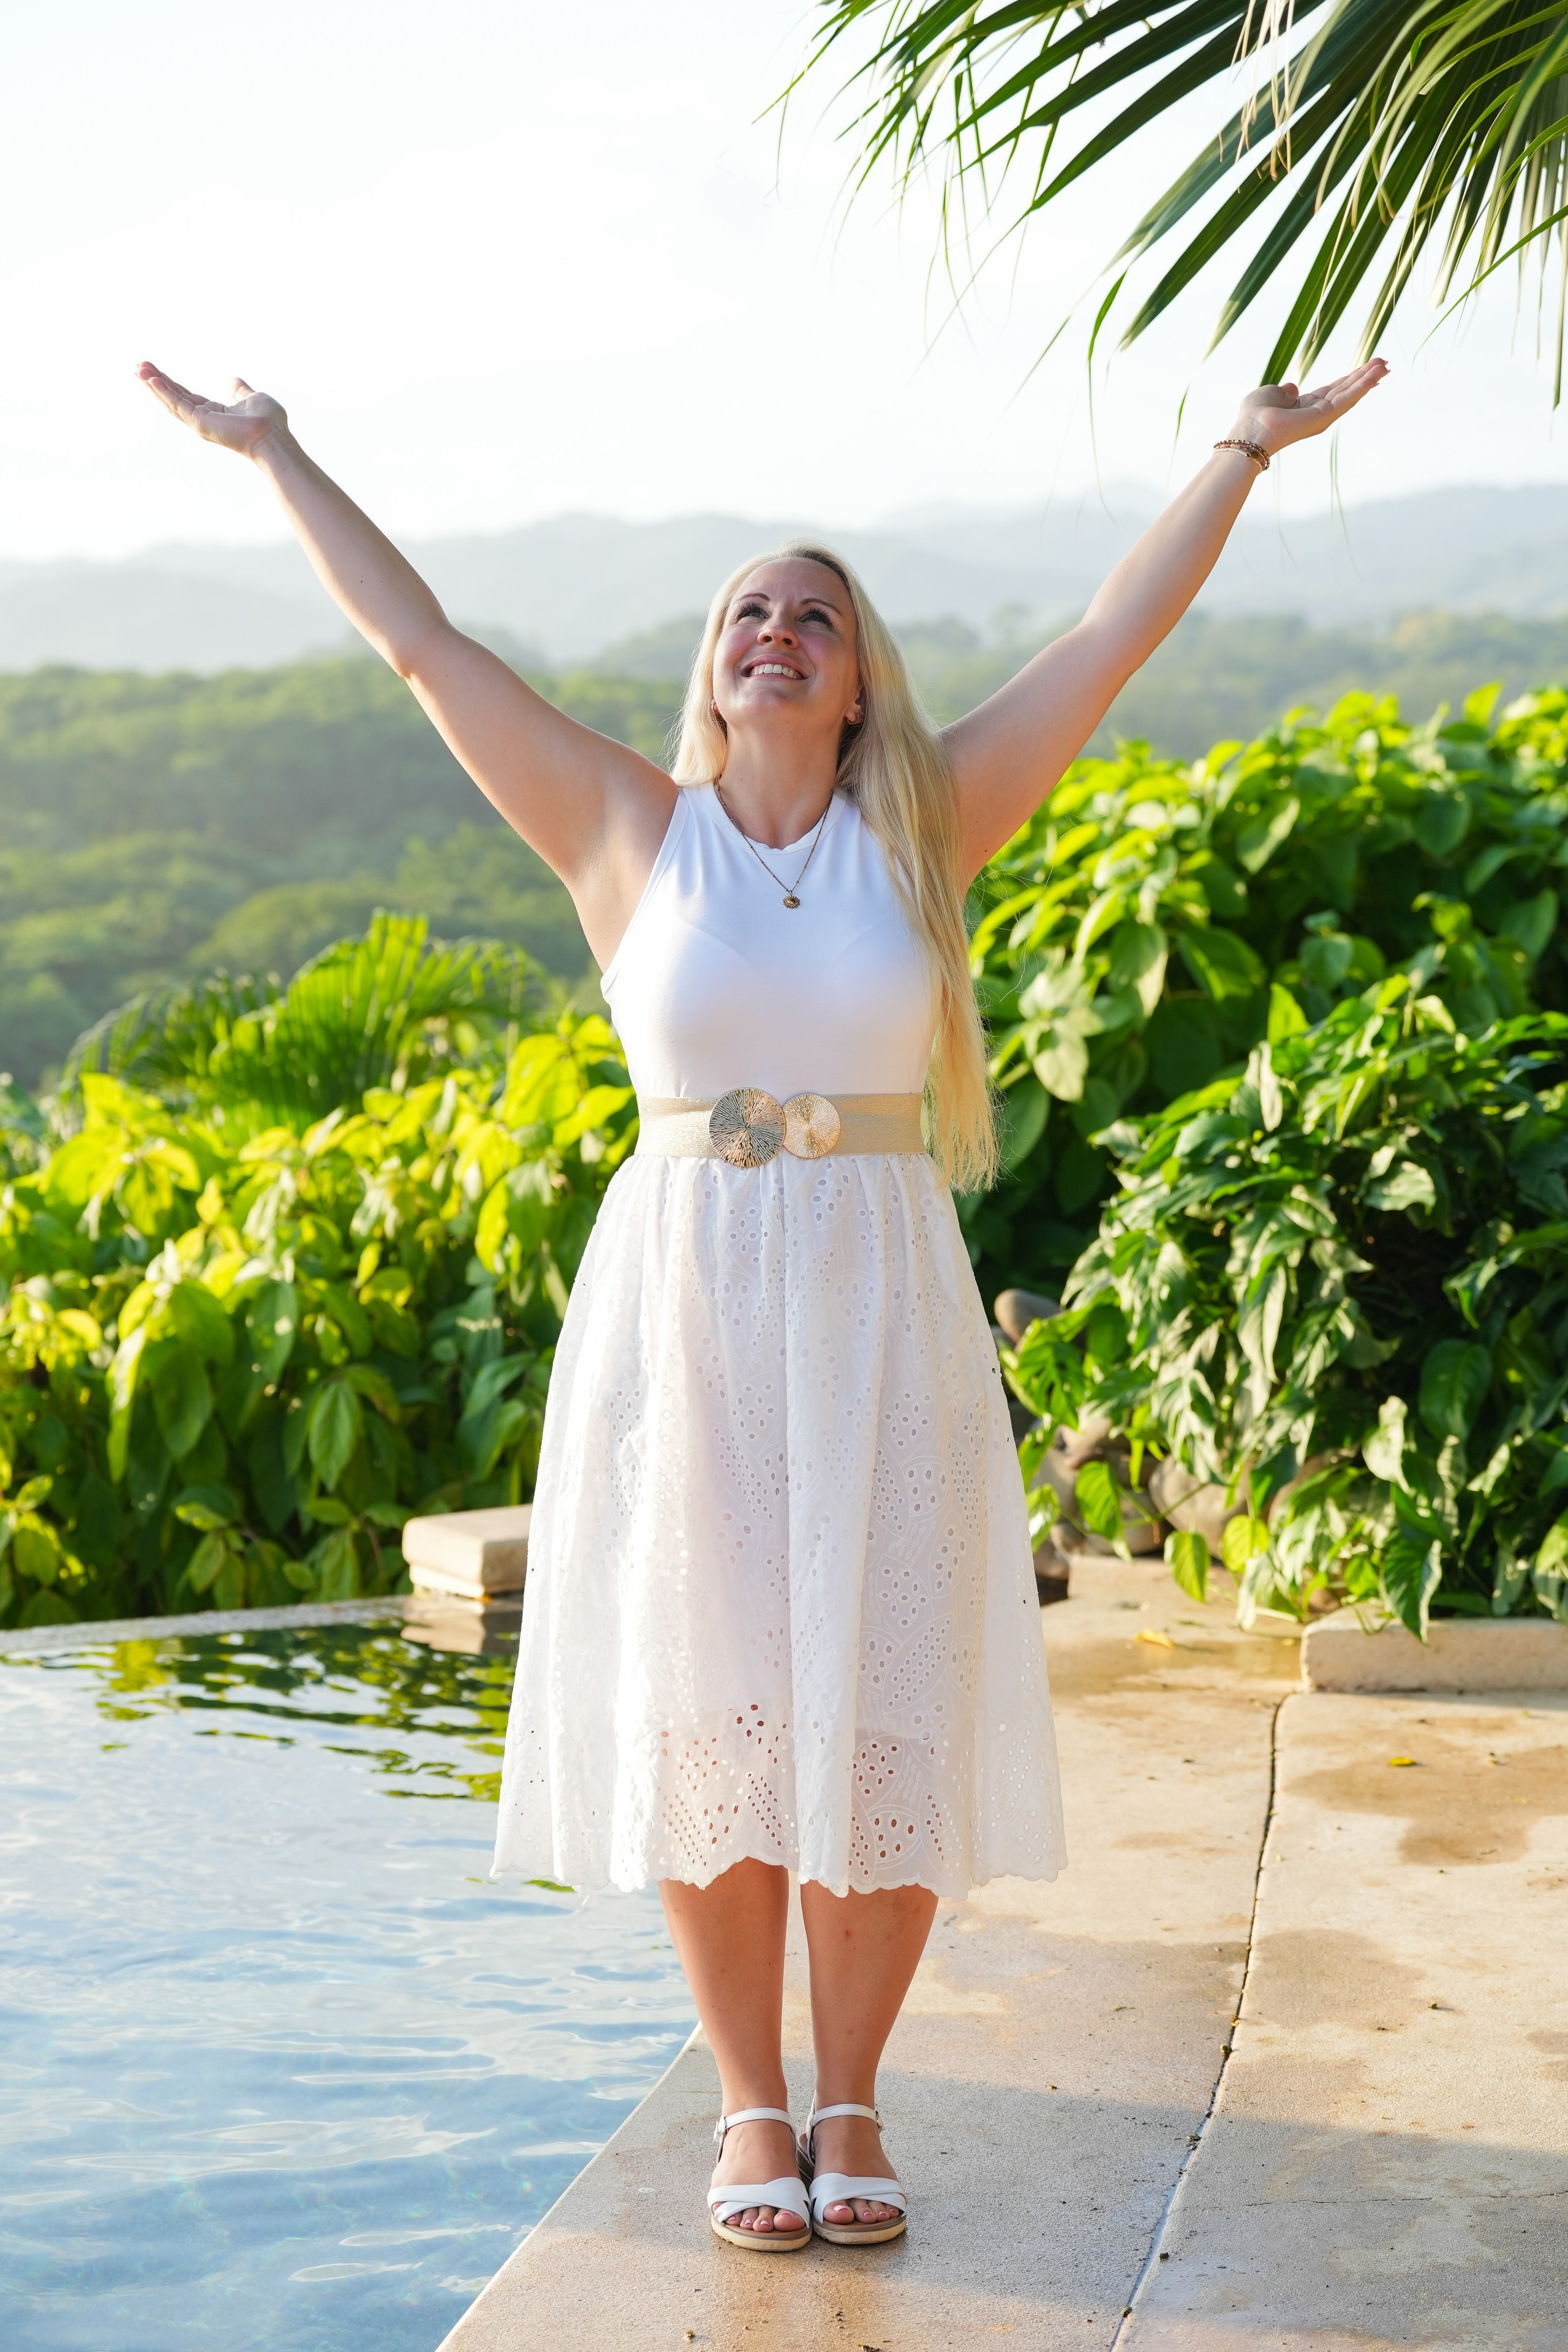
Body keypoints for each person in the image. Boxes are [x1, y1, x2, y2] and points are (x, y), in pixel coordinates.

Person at [140, 354, 1387, 2248]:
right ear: (713, 668)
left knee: (878, 1712)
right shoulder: (627, 830)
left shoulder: (928, 827)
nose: (778, 631)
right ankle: (748, 2109)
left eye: (814, 614)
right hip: (692, 1309)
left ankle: (858, 2098)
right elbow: (424, 647)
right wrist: (276, 452)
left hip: (882, 1303)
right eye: (748, 612)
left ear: (859, 675)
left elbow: (1108, 635)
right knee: (716, 1709)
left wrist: (1240, 448)